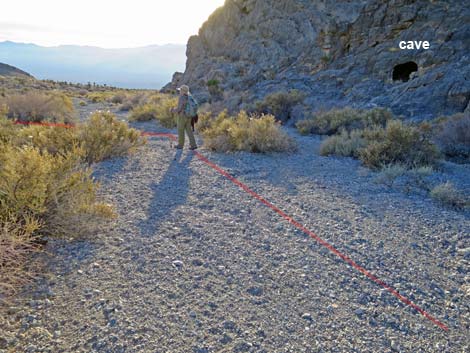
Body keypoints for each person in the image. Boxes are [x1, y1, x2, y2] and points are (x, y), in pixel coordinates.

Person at [172, 85, 197, 150]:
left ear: (183, 91)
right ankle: (193, 145)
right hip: (189, 116)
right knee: (189, 130)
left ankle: (180, 145)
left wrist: (172, 110)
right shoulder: (190, 97)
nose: (179, 91)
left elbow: (179, 109)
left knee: (180, 130)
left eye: (180, 90)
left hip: (182, 116)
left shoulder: (182, 98)